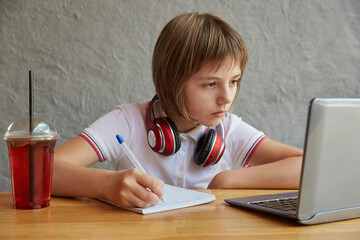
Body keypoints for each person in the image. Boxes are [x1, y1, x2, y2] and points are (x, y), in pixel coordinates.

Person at [52, 12, 303, 209]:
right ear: (173, 80)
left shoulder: (229, 129)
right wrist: (106, 185)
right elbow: (42, 172)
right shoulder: (126, 122)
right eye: (210, 84)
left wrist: (227, 181)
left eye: (234, 81)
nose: (227, 97)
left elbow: (305, 165)